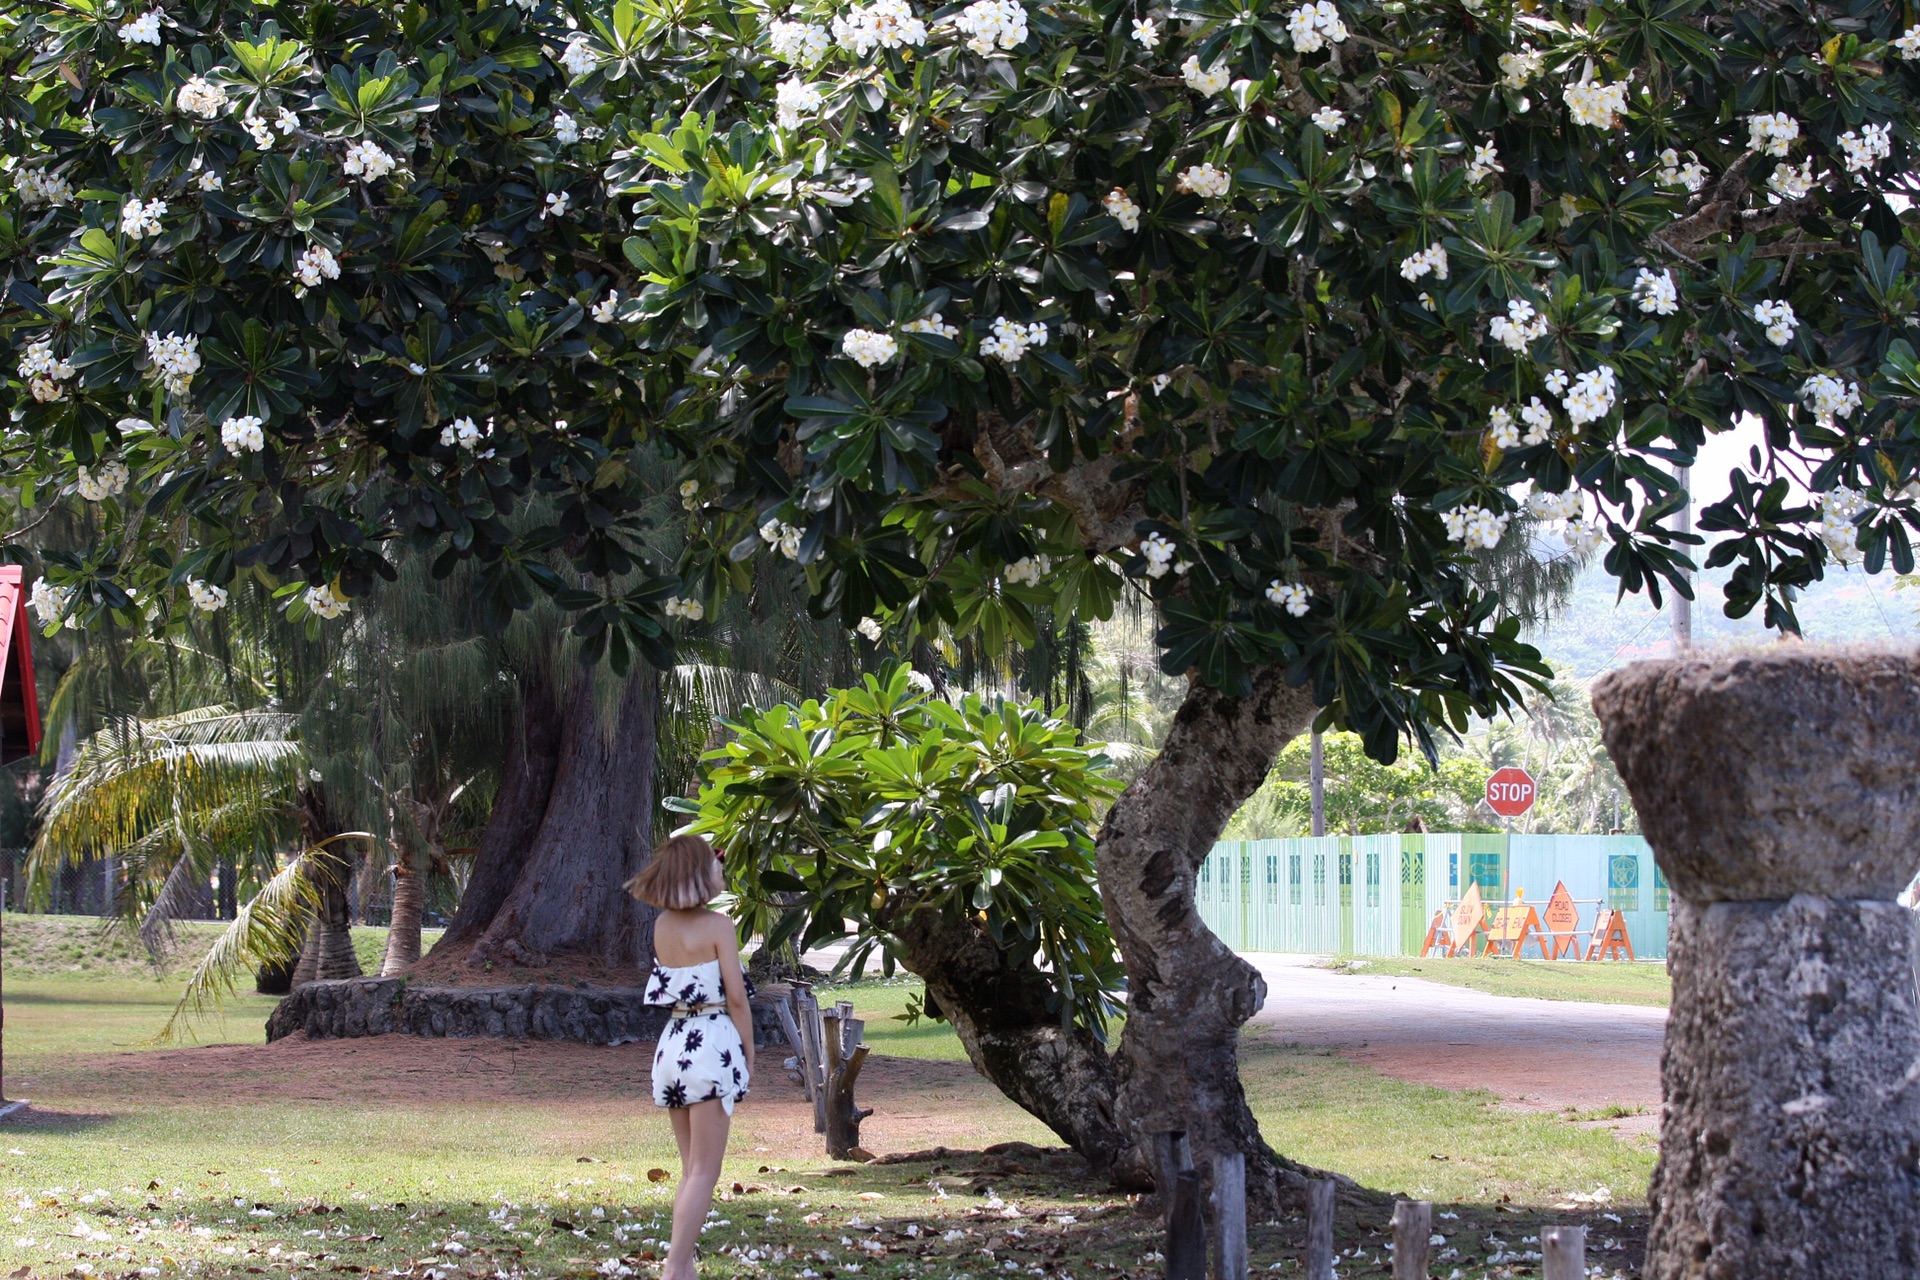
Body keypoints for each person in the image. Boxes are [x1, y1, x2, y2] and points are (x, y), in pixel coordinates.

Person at [626, 835, 753, 1280]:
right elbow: (736, 999)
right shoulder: (720, 925)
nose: (721, 868)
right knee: (705, 1171)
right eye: (716, 862)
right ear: (701, 874)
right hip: (711, 1043)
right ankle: (676, 1268)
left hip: (673, 1044)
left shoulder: (661, 926)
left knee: (689, 1169)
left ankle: (685, 1267)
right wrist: (748, 1054)